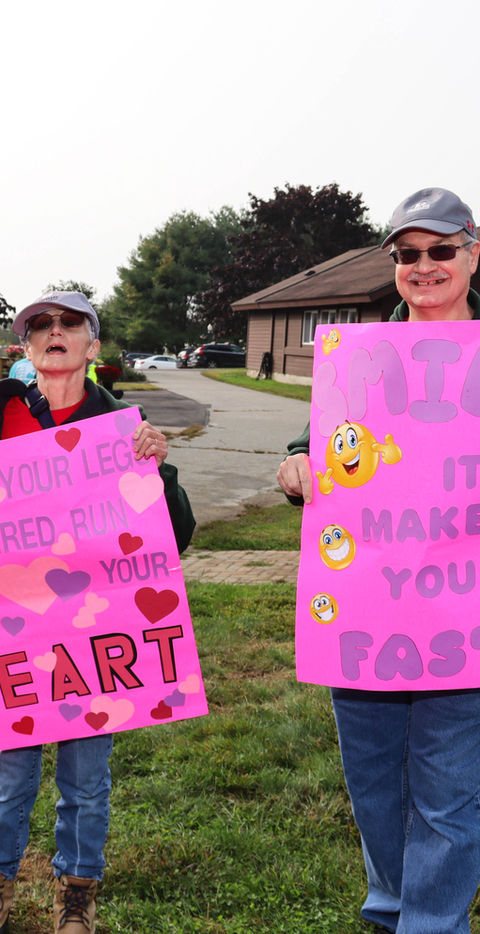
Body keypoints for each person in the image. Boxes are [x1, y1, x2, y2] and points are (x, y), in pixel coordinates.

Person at [277, 188, 480, 934]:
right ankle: (394, 909)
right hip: (367, 609)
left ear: (473, 253)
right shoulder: (356, 361)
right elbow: (324, 443)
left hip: (464, 615)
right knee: (372, 788)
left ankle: (433, 923)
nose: (424, 266)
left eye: (441, 250)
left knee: (449, 794)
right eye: (408, 253)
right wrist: (297, 461)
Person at [0, 290, 195, 933]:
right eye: (41, 324)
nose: (54, 331)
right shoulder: (2, 412)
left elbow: (178, 534)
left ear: (93, 345)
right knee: (8, 776)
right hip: (15, 627)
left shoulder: (122, 429)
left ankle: (77, 890)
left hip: (94, 634)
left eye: (69, 322)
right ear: (26, 345)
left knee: (86, 778)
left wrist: (158, 469)